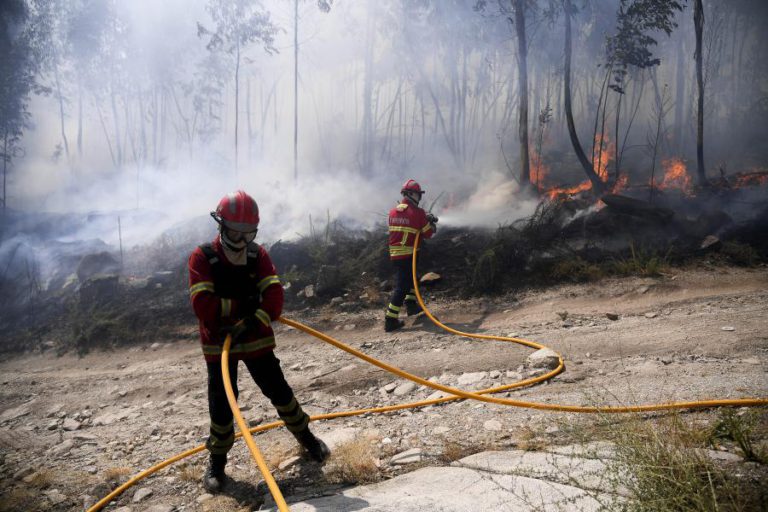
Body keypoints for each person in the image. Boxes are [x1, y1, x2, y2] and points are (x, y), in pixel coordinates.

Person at [188, 190, 330, 493]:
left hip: (256, 340)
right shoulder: (204, 257)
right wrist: (245, 306)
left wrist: (254, 320)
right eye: (235, 233)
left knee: (281, 394)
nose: (241, 241)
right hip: (219, 346)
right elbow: (203, 305)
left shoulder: (258, 255)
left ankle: (308, 440)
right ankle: (216, 464)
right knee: (223, 406)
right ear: (220, 225)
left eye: (247, 233)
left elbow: (275, 297)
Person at [384, 179, 438, 332]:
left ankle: (411, 306)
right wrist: (432, 224)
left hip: (396, 255)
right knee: (402, 287)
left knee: (412, 279)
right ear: (411, 194)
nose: (419, 197)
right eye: (419, 194)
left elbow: (408, 223)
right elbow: (428, 234)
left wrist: (424, 219)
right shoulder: (418, 213)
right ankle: (390, 320)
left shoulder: (393, 211)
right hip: (409, 254)